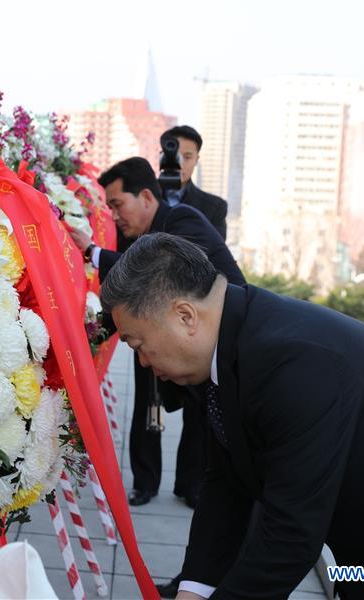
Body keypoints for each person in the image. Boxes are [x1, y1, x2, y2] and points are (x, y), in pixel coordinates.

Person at [101, 233, 364, 600]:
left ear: (185, 315)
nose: (143, 360)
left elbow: (290, 533)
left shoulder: (292, 359)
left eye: (138, 342)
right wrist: (195, 587)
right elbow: (226, 482)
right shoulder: (229, 346)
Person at [67, 157, 245, 508]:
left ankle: (191, 487)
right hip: (159, 331)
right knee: (147, 410)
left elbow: (153, 275)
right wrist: (85, 335)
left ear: (146, 197)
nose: (114, 216)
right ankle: (145, 483)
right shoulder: (140, 233)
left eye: (118, 205)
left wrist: (91, 251)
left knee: (203, 417)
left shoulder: (182, 220)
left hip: (208, 341)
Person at [162, 125, 228, 241]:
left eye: (187, 157)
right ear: (162, 155)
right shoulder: (144, 198)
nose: (180, 164)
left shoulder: (214, 208)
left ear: (196, 160)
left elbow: (215, 254)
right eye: (174, 156)